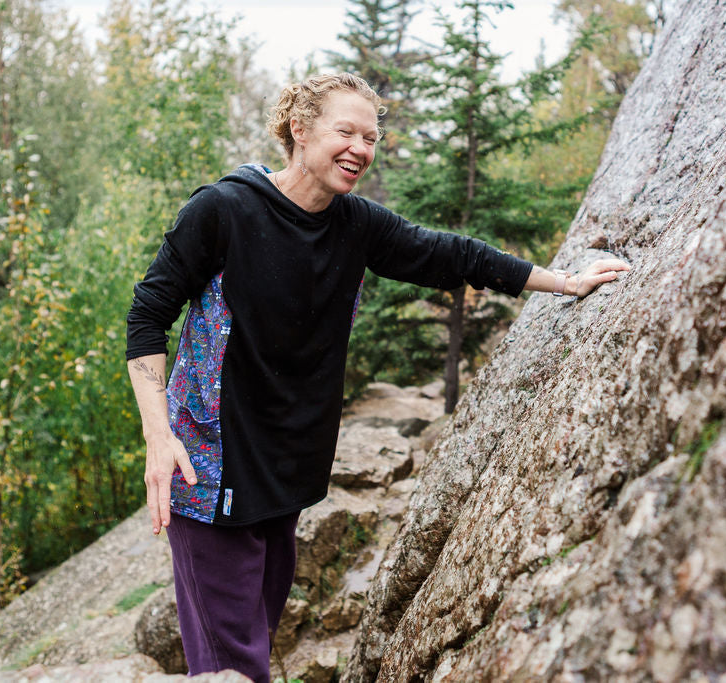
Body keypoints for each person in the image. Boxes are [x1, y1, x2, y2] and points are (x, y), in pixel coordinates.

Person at [125, 72, 629, 682]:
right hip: (208, 466)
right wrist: (159, 435)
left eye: (371, 137)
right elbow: (149, 315)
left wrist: (566, 282)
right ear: (300, 129)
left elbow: (454, 255)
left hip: (286, 469)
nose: (361, 148)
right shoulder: (223, 210)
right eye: (347, 131)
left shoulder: (354, 224)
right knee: (234, 665)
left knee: (256, 638)